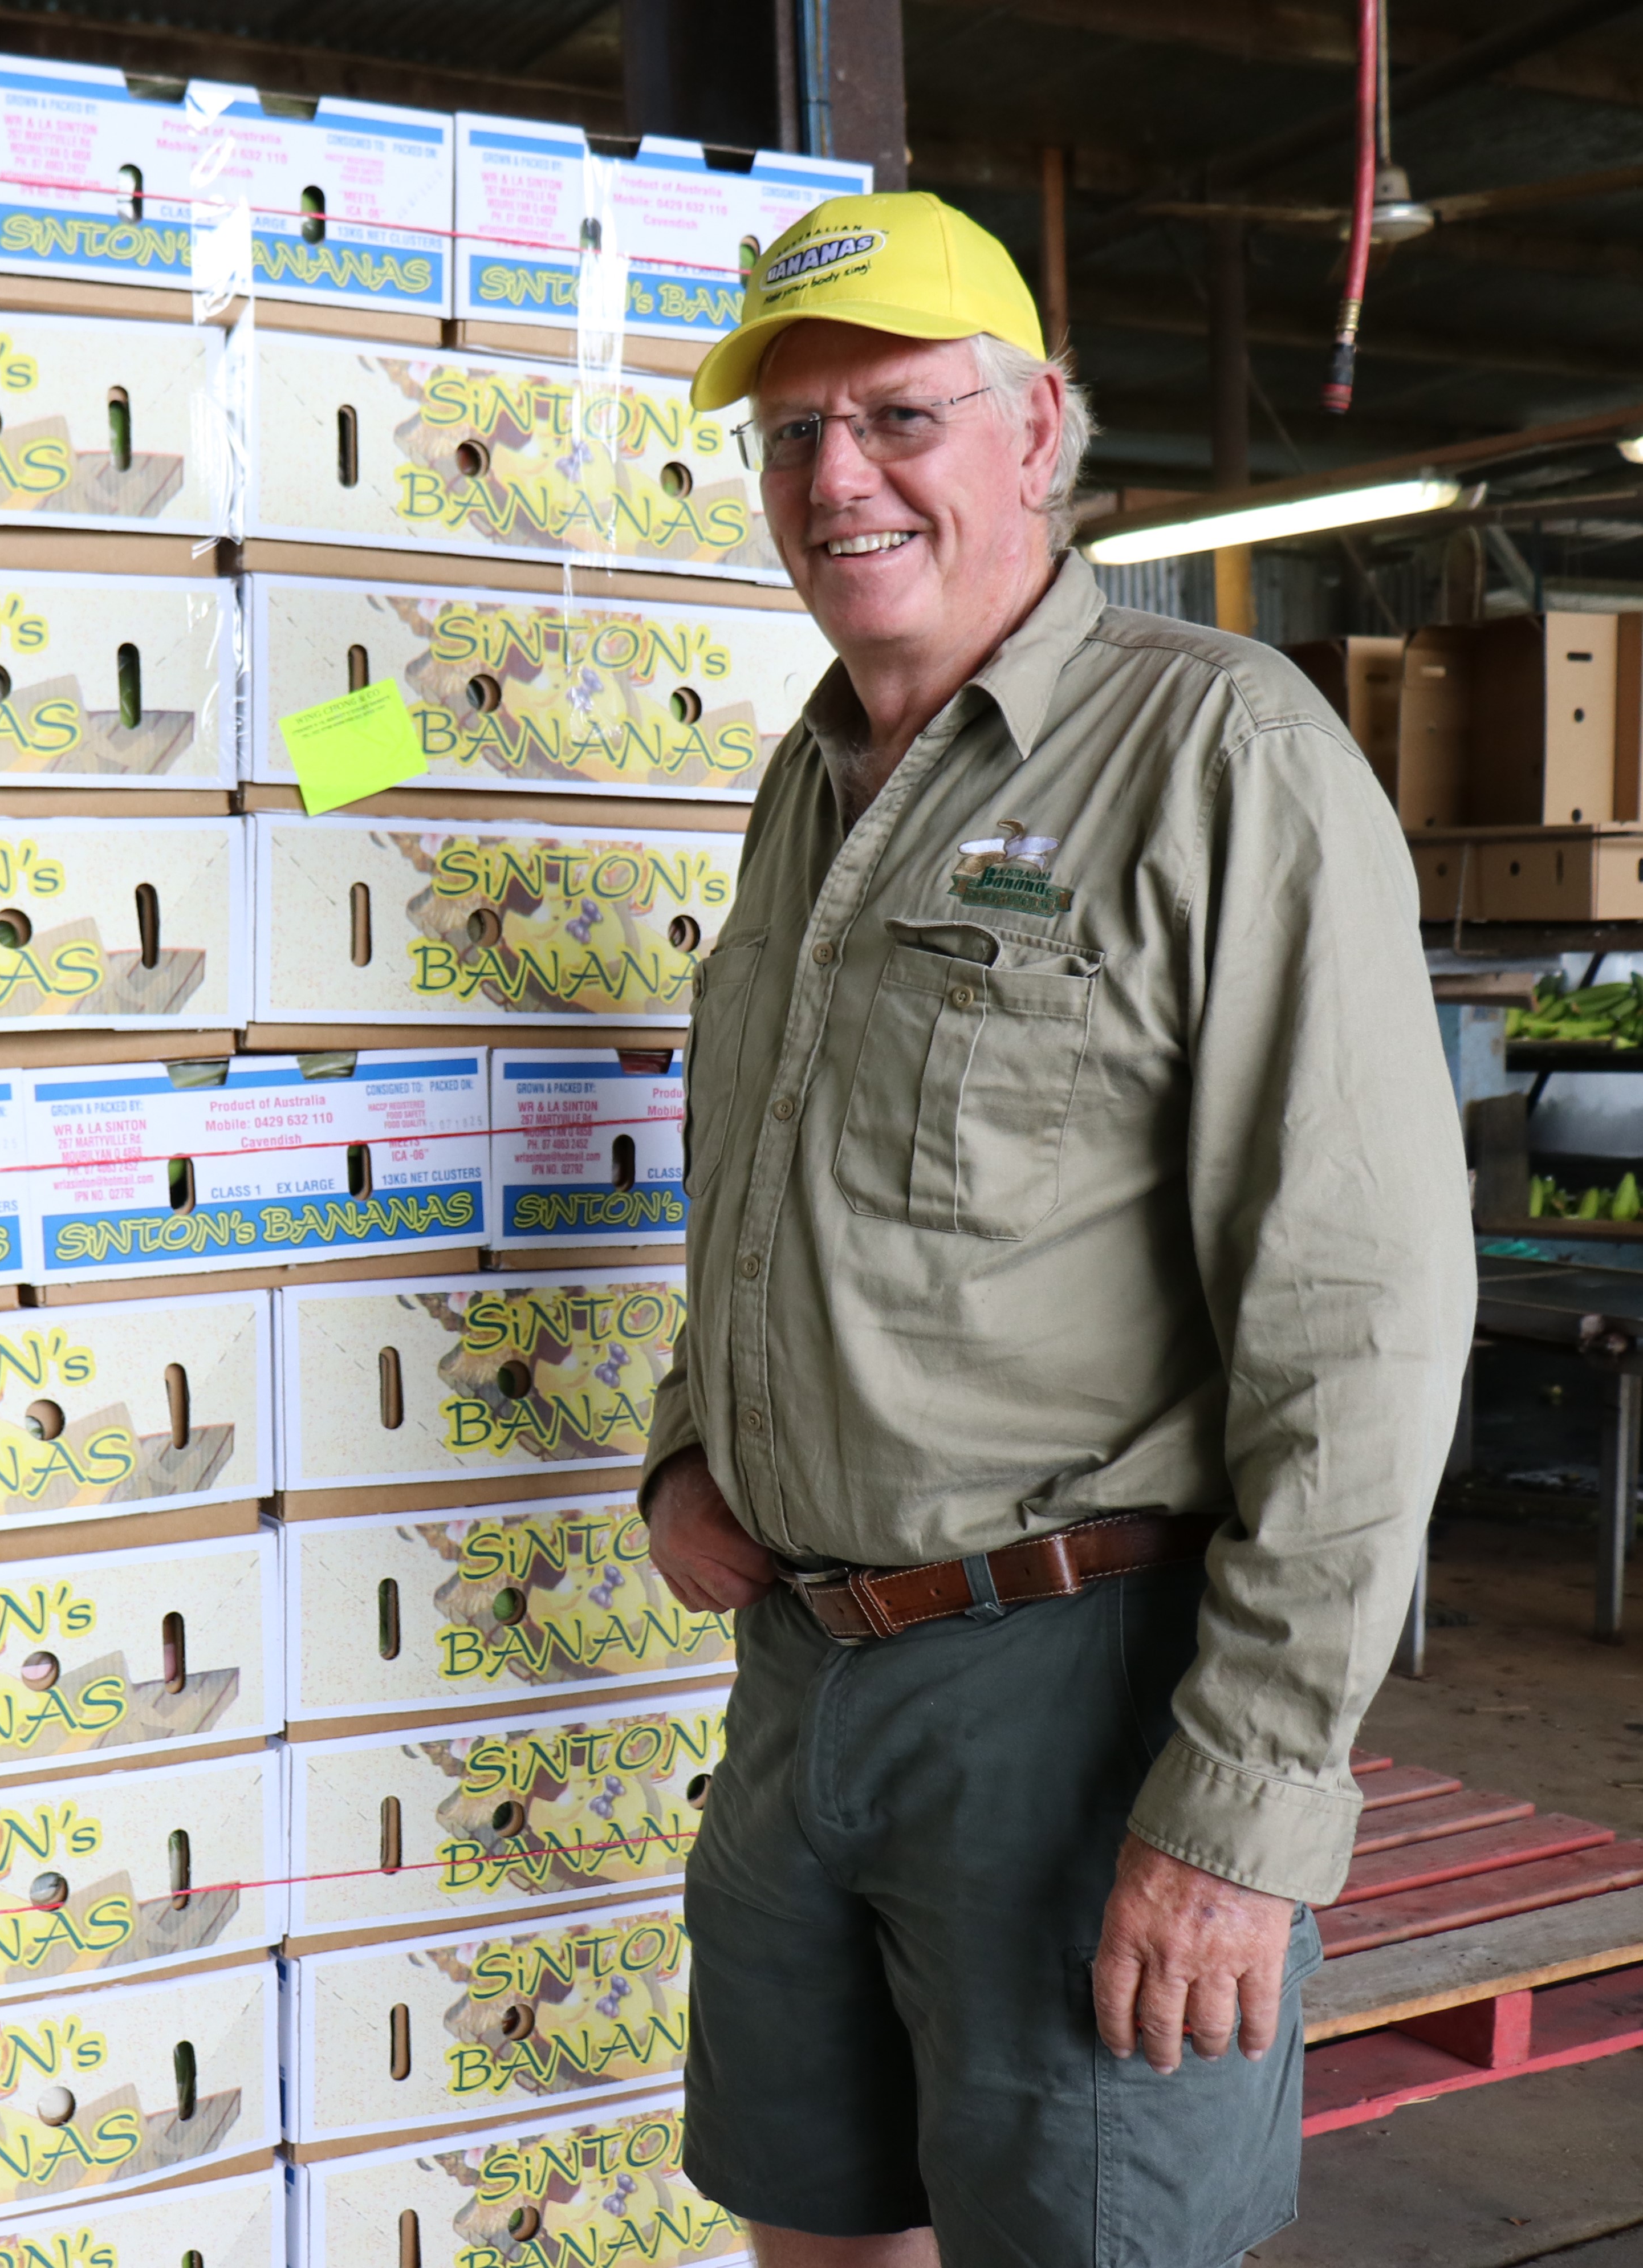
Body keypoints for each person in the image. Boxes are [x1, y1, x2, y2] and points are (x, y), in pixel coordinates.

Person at [642, 193, 1474, 2268]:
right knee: (816, 2232)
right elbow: (768, 1163)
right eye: (791, 436)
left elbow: (1361, 1325)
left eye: (899, 415)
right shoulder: (809, 781)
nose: (836, 478)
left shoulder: (1226, 757)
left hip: (1080, 1691)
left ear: (1039, 433)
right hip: (804, 1676)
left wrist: (1246, 1811)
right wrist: (684, 1440)